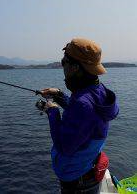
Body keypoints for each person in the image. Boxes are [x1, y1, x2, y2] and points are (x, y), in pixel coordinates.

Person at [39, 38, 119, 194]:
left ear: (75, 67)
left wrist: (52, 111)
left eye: (63, 62)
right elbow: (87, 117)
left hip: (77, 181)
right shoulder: (98, 91)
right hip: (87, 171)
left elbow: (64, 147)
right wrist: (60, 97)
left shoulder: (83, 104)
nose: (62, 66)